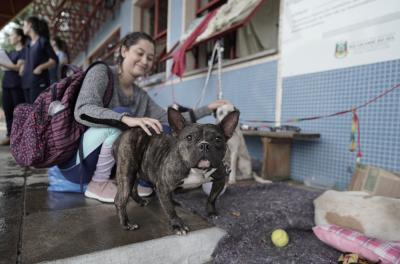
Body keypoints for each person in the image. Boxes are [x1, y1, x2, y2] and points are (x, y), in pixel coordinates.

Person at [60, 32, 228, 203]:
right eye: (139, 53)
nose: (145, 61)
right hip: (79, 162)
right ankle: (98, 184)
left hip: (108, 163)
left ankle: (143, 183)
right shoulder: (101, 72)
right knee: (122, 114)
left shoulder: (141, 95)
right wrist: (126, 118)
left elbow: (170, 120)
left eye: (150, 57)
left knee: (162, 127)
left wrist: (208, 109)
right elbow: (82, 109)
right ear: (124, 51)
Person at [21, 16, 58, 103]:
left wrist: (40, 67)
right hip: (27, 83)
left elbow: (54, 60)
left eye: (24, 25)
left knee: (39, 111)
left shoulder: (42, 41)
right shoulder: (28, 44)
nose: (23, 28)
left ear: (30, 25)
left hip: (39, 82)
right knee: (30, 112)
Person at [0, 28, 27, 146]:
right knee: (7, 111)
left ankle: (20, 136)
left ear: (19, 37)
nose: (10, 38)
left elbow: (17, 67)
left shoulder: (24, 51)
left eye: (12, 35)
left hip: (17, 85)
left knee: (18, 111)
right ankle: (10, 135)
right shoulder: (10, 52)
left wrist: (1, 63)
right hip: (6, 84)